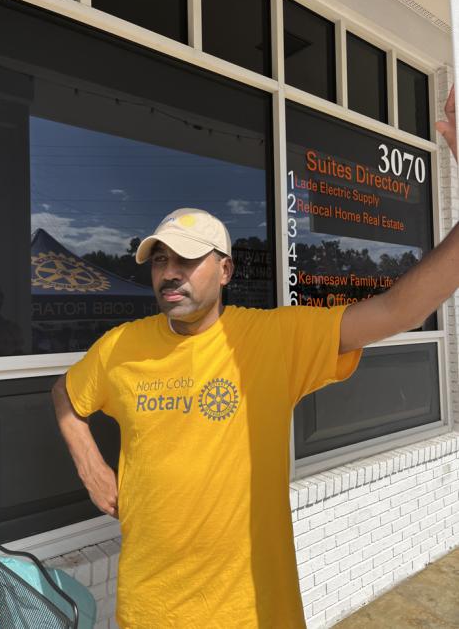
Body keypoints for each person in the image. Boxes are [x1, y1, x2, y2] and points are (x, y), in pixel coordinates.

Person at [52, 87, 457, 628]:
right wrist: (91, 465)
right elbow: (65, 394)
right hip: (149, 610)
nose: (170, 273)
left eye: (188, 260)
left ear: (225, 270)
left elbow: (398, 310)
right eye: (160, 260)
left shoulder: (271, 340)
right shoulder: (121, 346)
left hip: (254, 611)